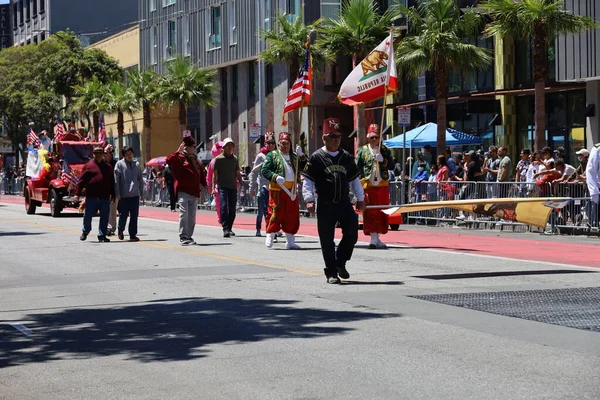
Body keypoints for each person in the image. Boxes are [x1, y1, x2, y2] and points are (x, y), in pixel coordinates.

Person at [302, 118, 366, 284]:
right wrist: (309, 199)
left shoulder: (346, 157)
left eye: (338, 136)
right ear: (324, 138)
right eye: (332, 136)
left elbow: (354, 180)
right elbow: (308, 180)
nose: (336, 140)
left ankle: (340, 262)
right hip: (325, 203)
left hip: (344, 202)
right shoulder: (316, 157)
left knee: (352, 232)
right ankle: (331, 272)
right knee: (326, 240)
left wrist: (360, 197)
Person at [261, 131, 306, 249]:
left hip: (291, 190)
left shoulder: (294, 157)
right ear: (279, 144)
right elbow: (264, 170)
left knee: (291, 215)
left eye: (287, 144)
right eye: (283, 143)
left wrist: (302, 155)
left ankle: (290, 241)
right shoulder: (272, 155)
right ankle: (270, 236)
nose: (285, 146)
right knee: (275, 213)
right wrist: (275, 177)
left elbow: (307, 167)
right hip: (278, 189)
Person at [355, 124, 393, 249]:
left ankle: (378, 237)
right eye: (372, 137)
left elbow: (392, 165)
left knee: (382, 210)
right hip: (368, 185)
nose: (374, 140)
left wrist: (383, 160)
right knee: (370, 211)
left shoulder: (385, 150)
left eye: (376, 137)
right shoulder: (362, 150)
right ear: (368, 138)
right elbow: (356, 168)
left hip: (382, 184)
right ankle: (373, 237)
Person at [166, 136, 206, 245]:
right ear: (187, 147)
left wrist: (205, 185)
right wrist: (177, 152)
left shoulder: (195, 159)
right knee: (184, 213)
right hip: (183, 190)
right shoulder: (180, 158)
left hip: (194, 191)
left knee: (192, 216)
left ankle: (189, 236)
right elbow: (168, 160)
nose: (195, 148)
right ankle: (183, 236)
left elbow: (200, 174)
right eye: (193, 146)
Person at [75, 146, 115, 242]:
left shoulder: (108, 167)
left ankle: (102, 235)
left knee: (104, 217)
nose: (98, 155)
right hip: (91, 196)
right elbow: (81, 181)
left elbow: (112, 182)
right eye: (96, 154)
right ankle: (85, 232)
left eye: (100, 153)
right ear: (93, 154)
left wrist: (113, 194)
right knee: (88, 215)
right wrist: (77, 193)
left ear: (103, 155)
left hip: (104, 197)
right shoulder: (88, 166)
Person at [213, 138, 244, 238]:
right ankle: (225, 228)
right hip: (222, 186)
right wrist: (214, 187)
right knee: (223, 206)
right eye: (228, 145)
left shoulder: (235, 159)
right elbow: (215, 174)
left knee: (232, 208)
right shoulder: (219, 159)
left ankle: (229, 228)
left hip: (232, 186)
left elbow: (237, 172)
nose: (230, 147)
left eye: (232, 145)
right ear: (224, 147)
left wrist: (241, 181)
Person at [249, 131, 277, 237]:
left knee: (275, 209)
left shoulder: (277, 155)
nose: (270, 145)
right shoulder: (261, 156)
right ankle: (259, 229)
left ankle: (274, 228)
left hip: (275, 187)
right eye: (268, 143)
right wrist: (251, 187)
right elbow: (254, 172)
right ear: (265, 144)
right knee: (262, 210)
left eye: (272, 143)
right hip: (264, 187)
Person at [114, 146, 144, 242]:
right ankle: (120, 230)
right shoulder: (119, 164)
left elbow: (140, 180)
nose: (129, 156)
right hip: (124, 195)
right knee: (123, 215)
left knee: (134, 216)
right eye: (127, 154)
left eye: (131, 153)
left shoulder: (137, 164)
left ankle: (133, 234)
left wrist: (142, 193)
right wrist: (117, 193)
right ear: (124, 155)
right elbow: (116, 180)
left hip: (135, 195)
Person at [206, 141, 224, 224]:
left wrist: (209, 185)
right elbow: (209, 175)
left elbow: (209, 175)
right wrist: (209, 185)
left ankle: (221, 217)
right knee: (220, 203)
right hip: (218, 185)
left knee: (220, 203)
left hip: (223, 185)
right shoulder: (213, 162)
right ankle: (221, 217)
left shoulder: (228, 159)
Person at [104, 145, 118, 236]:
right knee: (105, 210)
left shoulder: (116, 164)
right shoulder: (102, 163)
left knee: (112, 210)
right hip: (104, 189)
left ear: (111, 154)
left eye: (106, 153)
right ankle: (106, 226)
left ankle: (111, 227)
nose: (105, 155)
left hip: (114, 189)